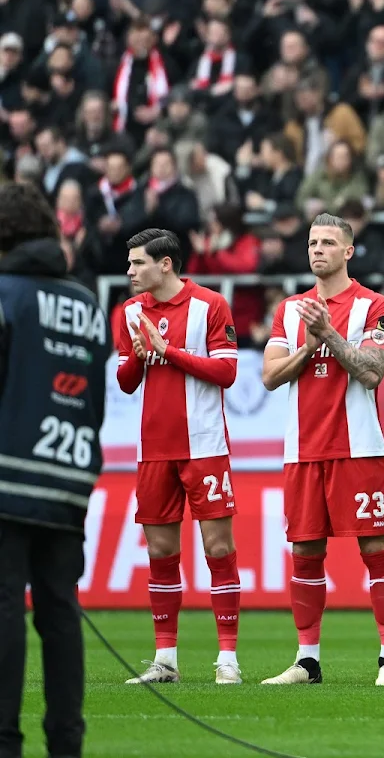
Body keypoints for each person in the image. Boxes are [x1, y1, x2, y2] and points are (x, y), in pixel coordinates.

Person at [260, 213, 384, 687]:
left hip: (357, 447)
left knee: (375, 548)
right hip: (302, 450)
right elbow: (269, 376)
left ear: (348, 252)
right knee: (305, 550)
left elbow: (371, 372)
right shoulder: (289, 310)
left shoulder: (374, 305)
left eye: (327, 243)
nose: (316, 249)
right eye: (311, 242)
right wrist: (309, 345)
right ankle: (307, 660)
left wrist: (332, 335)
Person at [0, 182, 108, 758]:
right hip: (68, 477)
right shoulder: (88, 304)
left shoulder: (6, 294)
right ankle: (67, 743)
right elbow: (93, 399)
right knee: (60, 613)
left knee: (4, 610)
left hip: (7, 476)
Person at [115, 229, 243, 685]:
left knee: (218, 548)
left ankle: (228, 659)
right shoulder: (129, 312)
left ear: (164, 263)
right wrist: (140, 354)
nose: (129, 272)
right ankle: (164, 659)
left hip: (204, 445)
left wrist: (169, 351)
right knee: (161, 552)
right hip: (154, 451)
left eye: (137, 263)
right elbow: (127, 380)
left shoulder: (209, 305)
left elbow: (227, 371)